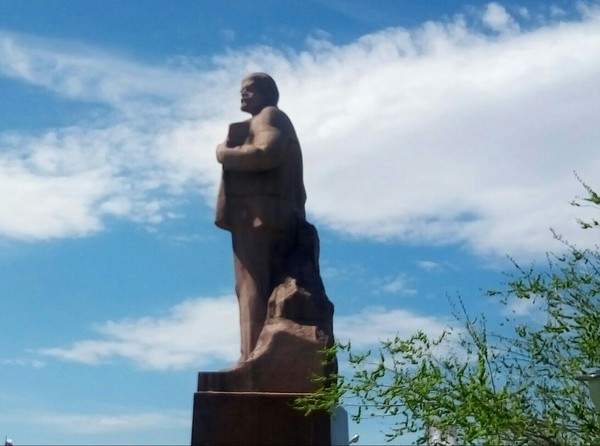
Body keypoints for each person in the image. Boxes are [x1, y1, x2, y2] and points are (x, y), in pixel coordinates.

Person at [215, 73, 307, 361]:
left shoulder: (270, 116)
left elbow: (267, 153)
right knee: (251, 286)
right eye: (242, 90)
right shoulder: (265, 118)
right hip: (263, 214)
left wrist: (224, 153)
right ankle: (253, 355)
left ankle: (252, 358)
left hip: (260, 215)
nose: (243, 95)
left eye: (250, 90)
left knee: (251, 284)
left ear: (268, 93)